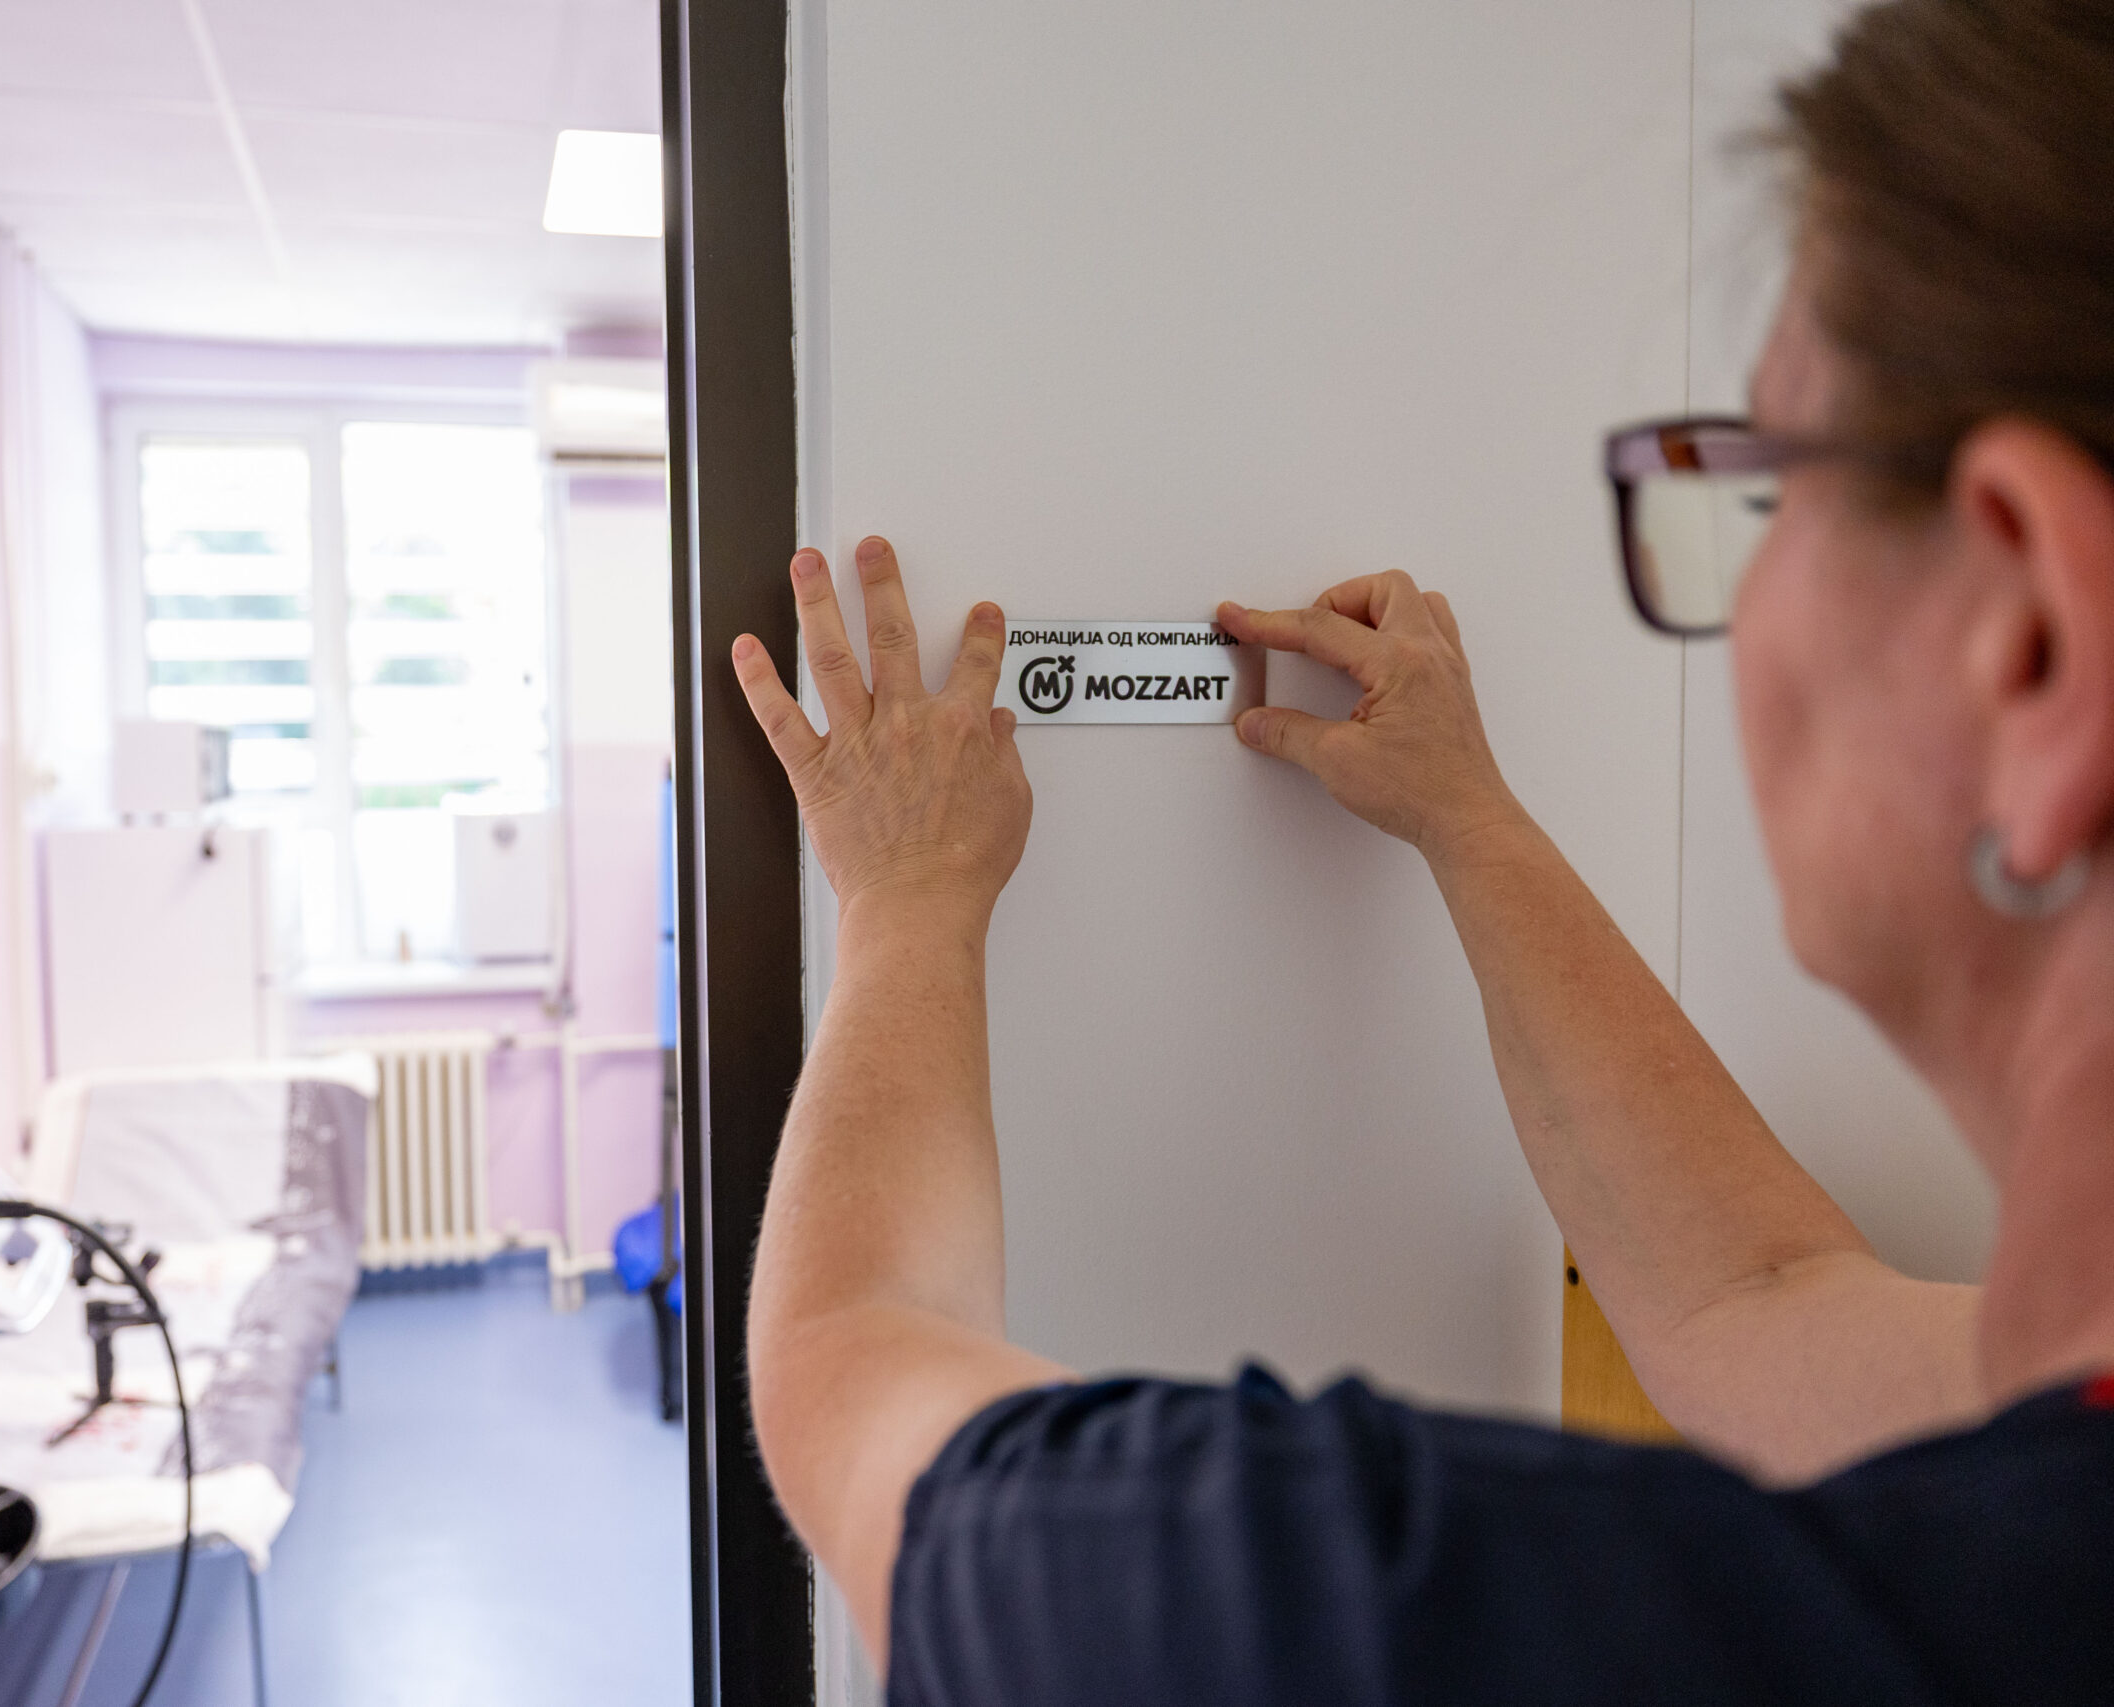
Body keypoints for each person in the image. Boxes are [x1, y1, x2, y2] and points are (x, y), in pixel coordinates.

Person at [726, 1, 2114, 1700]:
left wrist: (911, 906)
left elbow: (848, 1357)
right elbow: (1759, 1298)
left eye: (1762, 493)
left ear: (2033, 640)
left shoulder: (1371, 1614)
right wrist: (1473, 820)